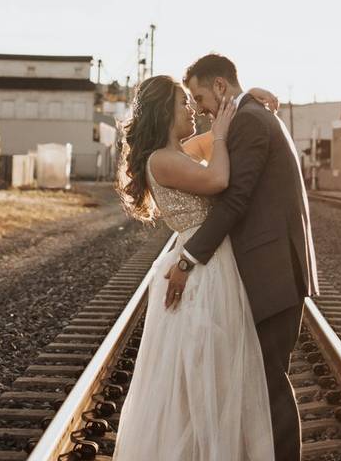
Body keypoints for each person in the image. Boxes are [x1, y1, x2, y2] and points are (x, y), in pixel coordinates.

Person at [112, 73, 280, 461]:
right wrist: (220, 137)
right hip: (202, 269)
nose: (191, 109)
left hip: (209, 260)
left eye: (191, 101)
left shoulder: (179, 152)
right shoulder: (162, 160)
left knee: (210, 371)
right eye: (182, 103)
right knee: (203, 371)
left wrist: (246, 98)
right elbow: (219, 178)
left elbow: (224, 128)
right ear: (164, 112)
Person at [173, 53, 319, 461]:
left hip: (272, 271)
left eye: (200, 97)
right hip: (268, 266)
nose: (199, 109)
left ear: (220, 86)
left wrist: (189, 258)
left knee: (268, 380)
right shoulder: (247, 115)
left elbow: (235, 200)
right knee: (260, 379)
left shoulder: (251, 121)